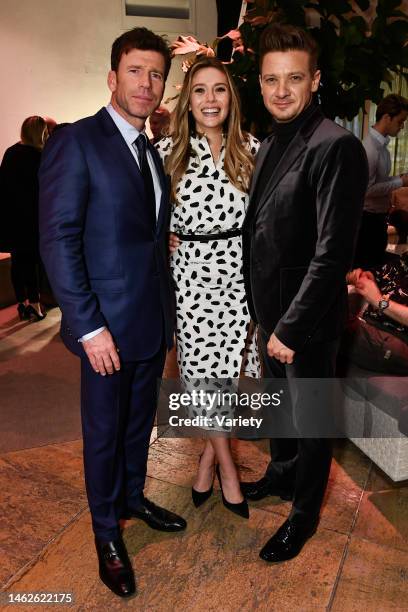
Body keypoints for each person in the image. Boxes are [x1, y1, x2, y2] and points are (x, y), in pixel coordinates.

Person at [39, 27, 187, 599]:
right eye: (135, 71)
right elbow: (58, 240)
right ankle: (106, 534)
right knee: (102, 434)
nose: (147, 84)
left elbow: (141, 236)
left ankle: (131, 498)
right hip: (104, 327)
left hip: (149, 322)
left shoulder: (149, 149)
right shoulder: (78, 141)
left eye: (156, 74)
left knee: (135, 426)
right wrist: (87, 325)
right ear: (112, 77)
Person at [241, 23, 369, 562]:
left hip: (307, 321)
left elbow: (332, 254)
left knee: (313, 420)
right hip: (272, 312)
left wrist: (291, 327)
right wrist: (263, 315)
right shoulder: (272, 139)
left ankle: (303, 517)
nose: (282, 91)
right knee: (280, 410)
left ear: (314, 80)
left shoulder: (337, 146)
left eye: (294, 78)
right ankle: (281, 474)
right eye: (272, 80)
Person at [156, 56, 261, 519]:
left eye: (219, 89)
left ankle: (206, 463)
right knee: (202, 380)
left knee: (233, 381)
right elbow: (141, 220)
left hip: (241, 278)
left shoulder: (252, 149)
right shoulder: (165, 151)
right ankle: (229, 472)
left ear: (230, 98)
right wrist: (163, 239)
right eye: (200, 90)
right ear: (188, 99)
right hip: (191, 280)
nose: (210, 99)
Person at [0, 116, 48, 321]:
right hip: (33, 218)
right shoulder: (39, 156)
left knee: (18, 262)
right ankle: (36, 306)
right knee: (34, 263)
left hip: (12, 218)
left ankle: (22, 303)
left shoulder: (11, 152)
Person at [354, 94, 408, 267]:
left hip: (378, 220)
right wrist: (400, 183)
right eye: (400, 121)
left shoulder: (382, 148)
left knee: (377, 269)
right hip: (367, 222)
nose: (402, 126)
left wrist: (400, 178)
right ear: (387, 117)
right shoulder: (369, 148)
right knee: (366, 273)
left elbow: (381, 181)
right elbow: (367, 189)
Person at [344, 256, 408, 374]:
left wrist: (379, 301)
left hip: (398, 336)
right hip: (370, 324)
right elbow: (380, 274)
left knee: (325, 328)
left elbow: (378, 300)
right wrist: (365, 277)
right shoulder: (403, 261)